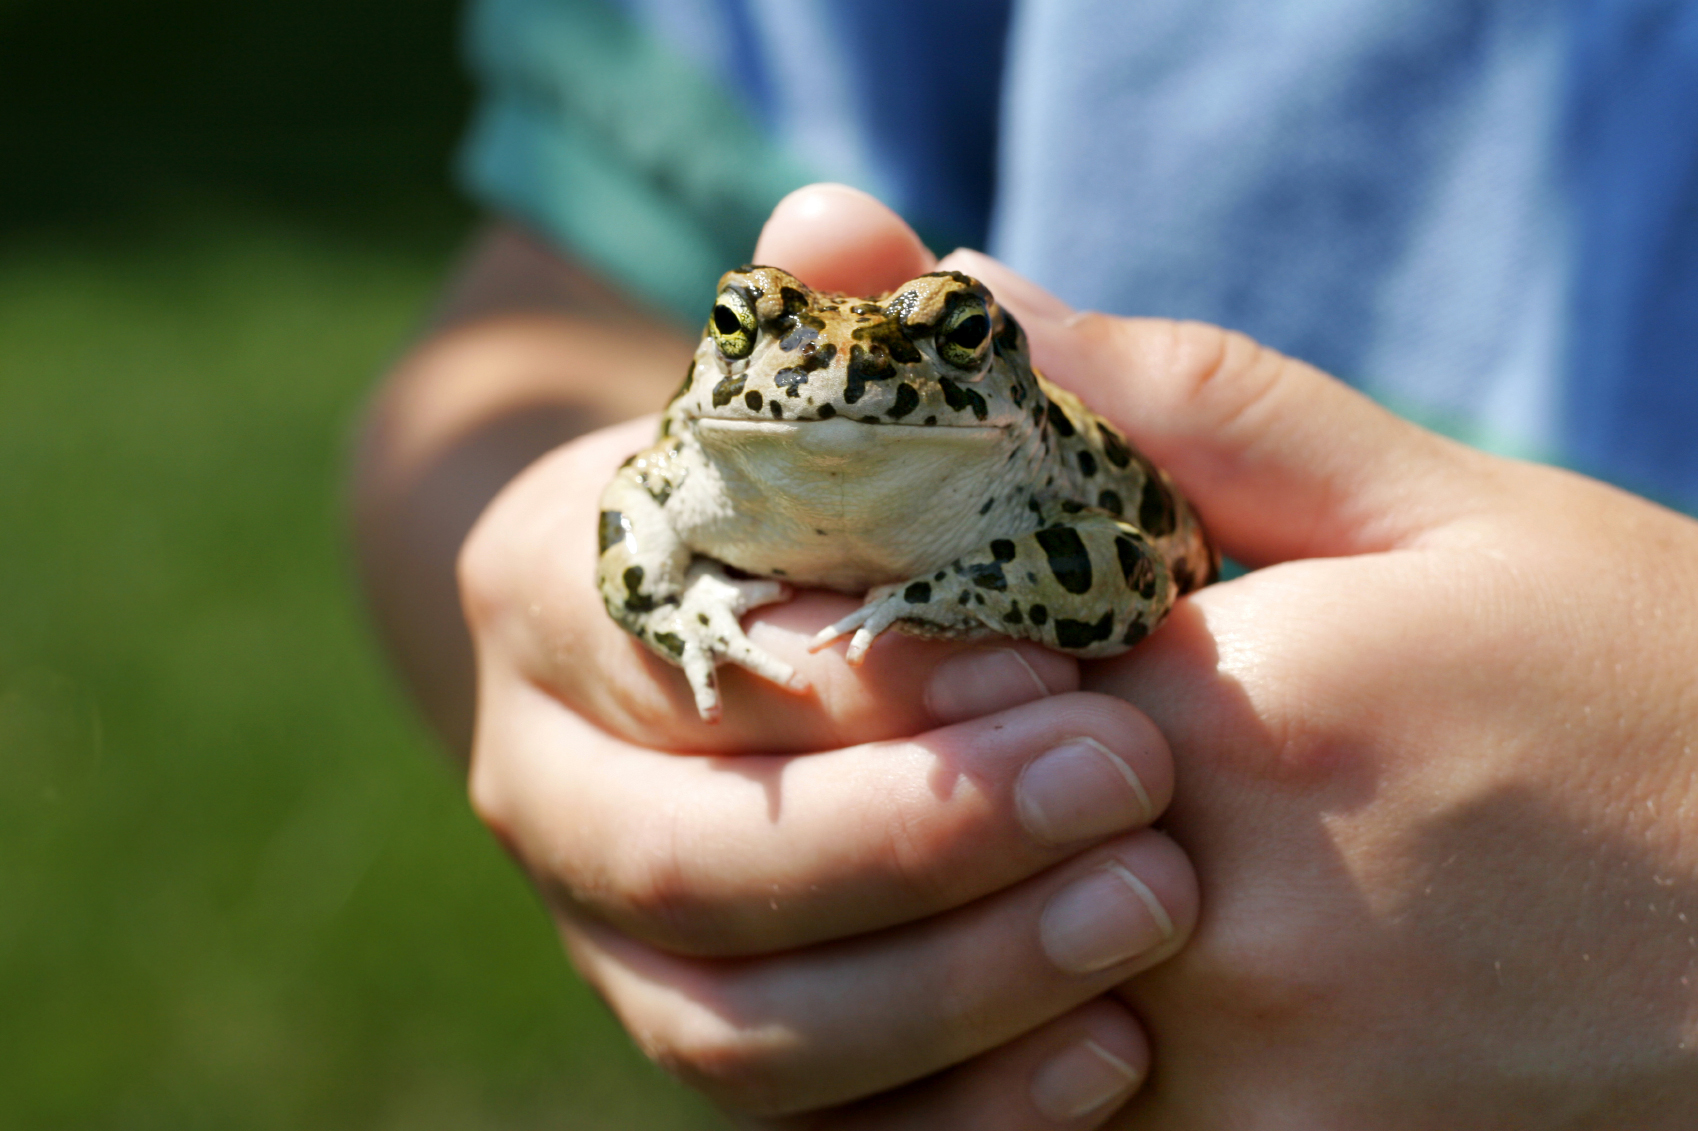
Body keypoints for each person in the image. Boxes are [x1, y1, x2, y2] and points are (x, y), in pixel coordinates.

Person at [352, 2, 1698, 1127]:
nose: (834, 375)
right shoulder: (690, 462)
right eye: (747, 329)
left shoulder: (1047, 463)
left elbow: (1130, 570)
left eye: (944, 338)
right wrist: (626, 704)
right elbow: (558, 379)